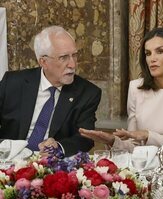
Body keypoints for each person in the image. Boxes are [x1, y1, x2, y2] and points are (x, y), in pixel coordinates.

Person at [80, 27, 163, 161]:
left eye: (160, 51)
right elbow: (134, 146)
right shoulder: (136, 88)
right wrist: (113, 141)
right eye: (148, 53)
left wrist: (149, 136)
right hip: (144, 169)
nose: (152, 59)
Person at [0, 25, 101, 157]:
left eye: (74, 56)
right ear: (44, 62)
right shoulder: (13, 82)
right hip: (9, 160)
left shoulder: (87, 93)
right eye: (63, 57)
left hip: (52, 164)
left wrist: (58, 147)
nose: (72, 64)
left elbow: (85, 138)